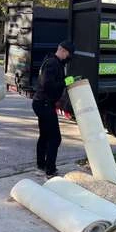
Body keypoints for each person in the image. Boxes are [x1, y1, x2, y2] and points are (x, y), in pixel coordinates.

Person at [32, 40, 75, 178]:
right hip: (44, 104)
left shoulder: (51, 61)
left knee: (45, 136)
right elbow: (47, 85)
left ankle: (41, 166)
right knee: (55, 138)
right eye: (68, 54)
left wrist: (66, 80)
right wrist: (66, 82)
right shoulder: (52, 63)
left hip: (41, 103)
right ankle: (50, 171)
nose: (68, 58)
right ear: (62, 50)